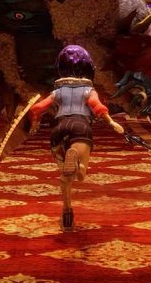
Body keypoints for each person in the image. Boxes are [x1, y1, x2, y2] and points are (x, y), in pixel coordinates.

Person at [27, 45, 125, 232]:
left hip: (58, 128)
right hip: (80, 126)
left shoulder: (57, 92)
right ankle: (78, 164)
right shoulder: (88, 90)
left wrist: (33, 124)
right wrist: (112, 123)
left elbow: (37, 109)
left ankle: (67, 212)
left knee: (65, 178)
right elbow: (97, 107)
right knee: (80, 175)